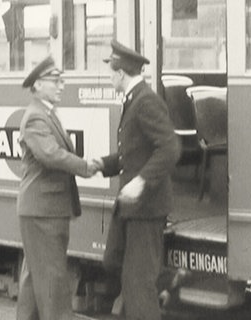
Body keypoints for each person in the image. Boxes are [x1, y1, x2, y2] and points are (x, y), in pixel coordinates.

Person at [93, 40, 181, 320]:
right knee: (114, 261)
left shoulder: (145, 101)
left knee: (138, 281)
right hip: (131, 207)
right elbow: (135, 152)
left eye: (111, 72)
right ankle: (166, 283)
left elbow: (170, 147)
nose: (109, 77)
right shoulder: (135, 99)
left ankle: (159, 290)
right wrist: (102, 164)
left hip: (146, 208)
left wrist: (142, 181)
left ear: (120, 74)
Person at [16, 55, 97, 320]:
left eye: (61, 80)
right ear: (38, 85)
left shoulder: (46, 113)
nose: (61, 85)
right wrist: (86, 166)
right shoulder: (36, 118)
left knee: (34, 280)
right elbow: (51, 155)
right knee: (53, 281)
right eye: (55, 81)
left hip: (43, 209)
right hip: (43, 212)